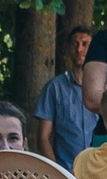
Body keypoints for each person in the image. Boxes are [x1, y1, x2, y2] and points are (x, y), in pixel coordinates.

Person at [34, 27, 97, 166]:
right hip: (66, 171)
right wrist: (57, 172)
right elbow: (43, 137)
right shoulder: (54, 87)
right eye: (75, 44)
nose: (79, 49)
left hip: (99, 172)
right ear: (68, 48)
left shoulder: (104, 87)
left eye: (85, 44)